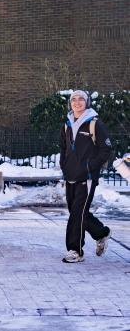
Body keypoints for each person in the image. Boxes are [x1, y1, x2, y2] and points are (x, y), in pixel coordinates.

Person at [59, 90, 112, 263]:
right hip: (70, 175)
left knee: (77, 213)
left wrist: (90, 167)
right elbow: (63, 148)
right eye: (74, 99)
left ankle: (75, 250)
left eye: (81, 99)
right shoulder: (67, 124)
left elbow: (106, 149)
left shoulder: (94, 123)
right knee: (77, 212)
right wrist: (64, 165)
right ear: (70, 103)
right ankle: (101, 233)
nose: (77, 102)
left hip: (87, 177)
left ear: (87, 102)